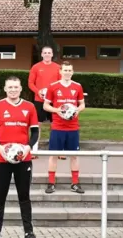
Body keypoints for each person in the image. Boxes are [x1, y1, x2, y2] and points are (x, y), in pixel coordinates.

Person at [0, 76, 39, 238]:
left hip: (24, 159)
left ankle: (28, 231)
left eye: (16, 87)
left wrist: (28, 147)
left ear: (21, 88)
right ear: (5, 89)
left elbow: (35, 132)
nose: (13, 90)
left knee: (24, 196)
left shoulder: (29, 107)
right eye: (10, 87)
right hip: (1, 159)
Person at [43, 61, 86, 194]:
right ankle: (51, 183)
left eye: (69, 70)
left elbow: (82, 104)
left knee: (74, 155)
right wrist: (57, 110)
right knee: (53, 155)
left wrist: (77, 110)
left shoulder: (77, 86)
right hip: (57, 127)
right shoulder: (53, 87)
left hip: (73, 127)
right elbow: (46, 106)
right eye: (65, 70)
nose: (67, 73)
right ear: (60, 72)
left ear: (72, 72)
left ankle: (75, 183)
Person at [28, 46, 61, 160]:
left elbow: (60, 83)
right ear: (41, 54)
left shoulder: (57, 67)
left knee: (55, 125)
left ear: (52, 54)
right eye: (45, 53)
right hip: (39, 100)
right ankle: (34, 150)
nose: (47, 54)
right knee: (37, 125)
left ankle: (57, 150)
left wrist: (54, 95)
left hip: (54, 101)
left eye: (49, 53)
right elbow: (30, 83)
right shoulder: (36, 67)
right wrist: (39, 92)